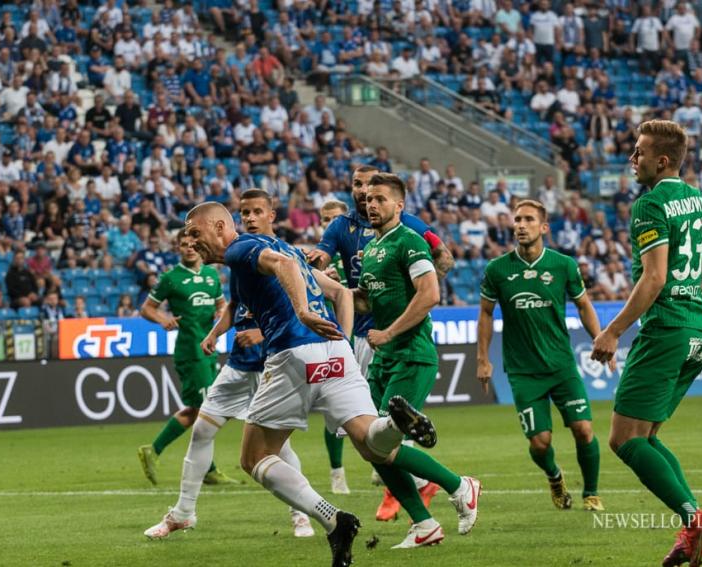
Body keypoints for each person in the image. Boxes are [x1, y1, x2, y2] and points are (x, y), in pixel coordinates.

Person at [183, 200, 479, 563]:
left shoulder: (242, 248)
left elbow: (286, 266)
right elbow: (341, 293)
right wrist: (343, 339)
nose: (191, 242)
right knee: (374, 445)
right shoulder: (277, 246)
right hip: (336, 352)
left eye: (195, 233)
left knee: (254, 457)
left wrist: (304, 311)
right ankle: (396, 424)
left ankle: (331, 518)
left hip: (293, 355)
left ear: (218, 227)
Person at [591, 120, 702, 567]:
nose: (632, 159)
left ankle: (695, 518)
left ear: (663, 160)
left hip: (668, 329)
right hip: (698, 332)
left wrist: (613, 330)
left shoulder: (650, 205)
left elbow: (653, 278)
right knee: (647, 435)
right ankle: (694, 527)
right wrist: (700, 304)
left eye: (639, 152)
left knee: (623, 439)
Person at [144, 190, 314, 540]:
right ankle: (183, 513)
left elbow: (293, 311)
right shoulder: (241, 256)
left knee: (280, 448)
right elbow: (235, 304)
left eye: (256, 212)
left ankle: (302, 516)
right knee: (202, 429)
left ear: (272, 215)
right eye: (245, 212)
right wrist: (215, 331)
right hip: (239, 365)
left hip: (271, 364)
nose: (250, 218)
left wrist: (262, 337)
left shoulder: (276, 255)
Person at [306, 165, 454, 521]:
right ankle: (422, 502)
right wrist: (315, 274)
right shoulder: (351, 233)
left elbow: (441, 264)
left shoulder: (410, 231)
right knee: (363, 433)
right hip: (361, 336)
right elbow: (343, 277)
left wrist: (408, 302)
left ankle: (443, 487)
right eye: (360, 189)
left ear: (397, 203)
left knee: (381, 435)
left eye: (374, 193)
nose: (365, 196)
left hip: (397, 341)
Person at [351, 173, 483, 547]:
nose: (371, 204)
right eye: (368, 198)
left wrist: (390, 332)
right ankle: (424, 524)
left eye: (380, 198)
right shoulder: (373, 249)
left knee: (381, 443)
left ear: (399, 205)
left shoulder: (409, 241)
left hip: (411, 355)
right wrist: (333, 290)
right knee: (368, 445)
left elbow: (429, 294)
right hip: (384, 359)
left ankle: (460, 485)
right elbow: (367, 300)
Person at [476, 198, 608, 512]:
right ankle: (554, 476)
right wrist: (482, 358)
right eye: (517, 220)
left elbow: (584, 305)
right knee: (540, 443)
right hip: (523, 371)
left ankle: (591, 494)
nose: (520, 225)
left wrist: (602, 339)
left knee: (584, 429)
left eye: (528, 220)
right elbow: (485, 314)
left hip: (561, 365)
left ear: (544, 227)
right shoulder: (498, 269)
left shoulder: (563, 265)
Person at [137, 231, 236, 486]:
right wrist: (163, 320)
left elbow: (222, 305)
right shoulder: (171, 278)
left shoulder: (212, 274)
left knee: (199, 410)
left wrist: (220, 312)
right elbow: (147, 308)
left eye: (193, 244)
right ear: (178, 248)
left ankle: (160, 453)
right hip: (190, 352)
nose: (189, 248)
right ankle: (203, 468)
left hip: (209, 349)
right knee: (205, 411)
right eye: (184, 245)